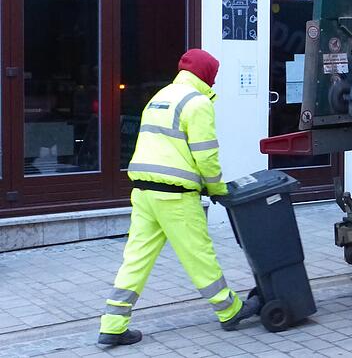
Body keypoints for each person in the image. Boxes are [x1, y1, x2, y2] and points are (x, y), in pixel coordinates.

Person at [98, 49, 261, 346]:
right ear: (207, 75)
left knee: (136, 258)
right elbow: (206, 155)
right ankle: (229, 310)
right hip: (175, 194)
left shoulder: (160, 97)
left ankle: (113, 323)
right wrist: (217, 188)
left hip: (144, 191)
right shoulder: (197, 103)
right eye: (214, 76)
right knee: (199, 254)